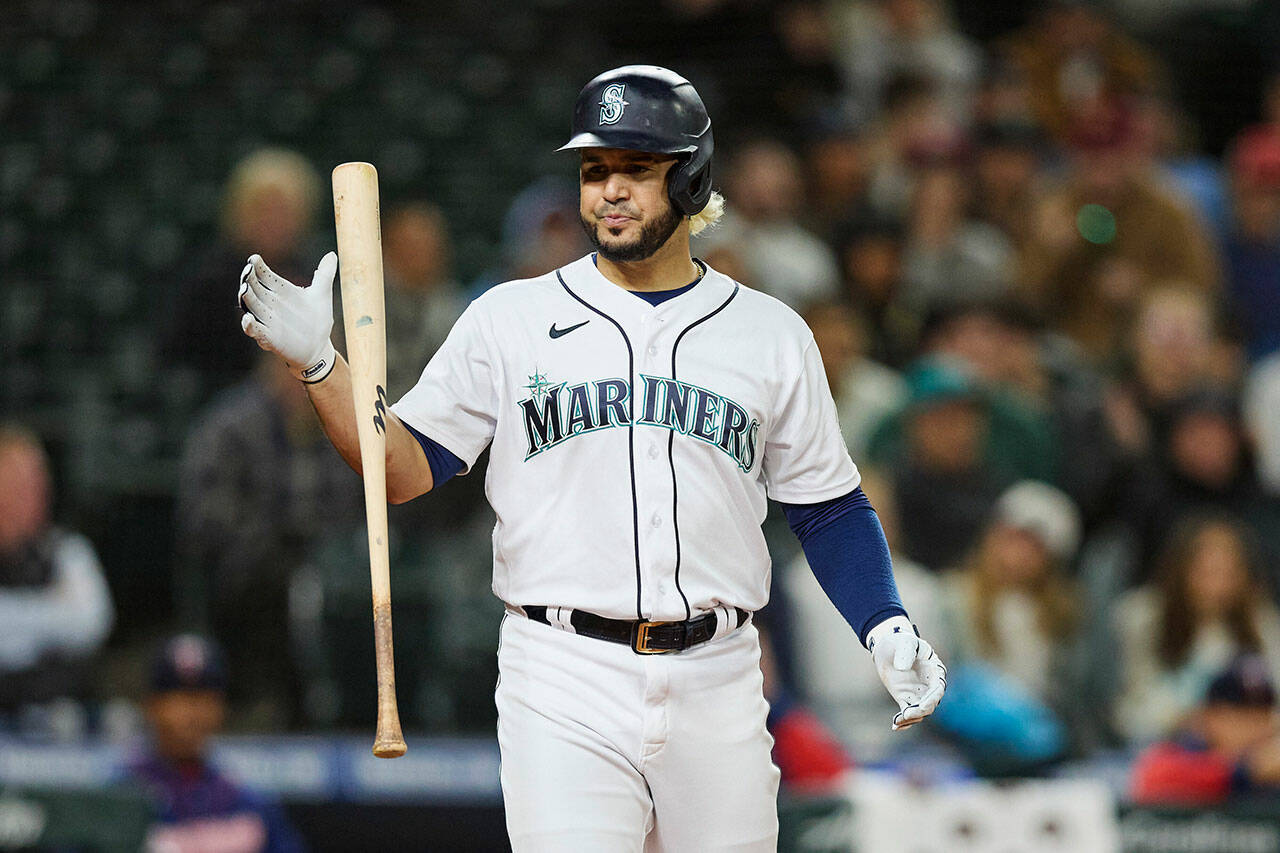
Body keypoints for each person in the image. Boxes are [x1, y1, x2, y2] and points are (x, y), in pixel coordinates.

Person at [237, 65, 946, 851]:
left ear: (692, 177)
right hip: (562, 670)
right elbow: (400, 469)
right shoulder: (510, 317)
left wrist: (883, 622)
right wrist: (322, 366)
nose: (609, 189)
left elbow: (828, 506)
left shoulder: (772, 333)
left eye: (636, 169)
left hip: (719, 676)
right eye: (593, 169)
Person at [126, 634, 304, 852]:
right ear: (151, 706)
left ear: (221, 708)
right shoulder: (118, 797)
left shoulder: (246, 802)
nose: (193, 713)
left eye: (204, 698)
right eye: (180, 697)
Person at [1114, 515, 1280, 744]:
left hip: (1244, 748)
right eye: (1208, 572)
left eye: (1229, 574)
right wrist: (1194, 720)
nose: (1218, 586)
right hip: (1162, 744)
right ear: (1182, 570)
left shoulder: (1262, 621)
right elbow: (1131, 707)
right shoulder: (1143, 616)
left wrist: (1247, 724)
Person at [0, 425, 114, 723]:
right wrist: (52, 612)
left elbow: (90, 625)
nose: (32, 495)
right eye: (16, 484)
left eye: (37, 483)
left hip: (55, 715)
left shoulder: (68, 551)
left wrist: (13, 623)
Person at [1131, 655, 1280, 805]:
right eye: (1242, 716)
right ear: (1210, 716)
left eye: (1263, 717)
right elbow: (1155, 775)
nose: (1255, 728)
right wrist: (1245, 772)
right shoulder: (1187, 750)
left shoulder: (1272, 762)